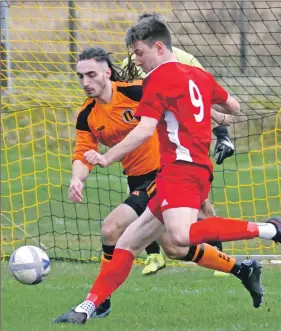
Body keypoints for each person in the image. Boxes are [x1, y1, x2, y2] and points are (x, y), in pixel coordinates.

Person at [53, 17, 281, 324]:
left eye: (139, 53)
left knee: (181, 235)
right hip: (189, 170)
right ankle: (87, 308)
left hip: (180, 170)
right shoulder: (198, 76)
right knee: (129, 243)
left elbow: (145, 130)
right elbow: (234, 108)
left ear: (158, 47)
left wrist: (107, 159)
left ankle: (270, 229)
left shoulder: (155, 81)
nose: (136, 60)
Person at [65, 47, 248, 319]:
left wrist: (220, 120)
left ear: (107, 73)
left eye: (91, 75)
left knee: (110, 229)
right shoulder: (86, 115)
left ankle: (99, 302)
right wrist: (76, 179)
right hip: (137, 179)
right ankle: (242, 269)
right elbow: (82, 153)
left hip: (165, 172)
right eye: (80, 77)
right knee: (175, 248)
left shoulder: (135, 91)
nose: (85, 82)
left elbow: (182, 101)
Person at [122, 12, 234, 262]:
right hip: (149, 134)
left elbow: (201, 98)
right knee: (144, 193)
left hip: (180, 142)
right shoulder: (131, 59)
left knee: (199, 207)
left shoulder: (185, 60)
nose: (137, 59)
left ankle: (220, 254)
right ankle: (153, 254)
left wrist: (220, 128)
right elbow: (123, 93)